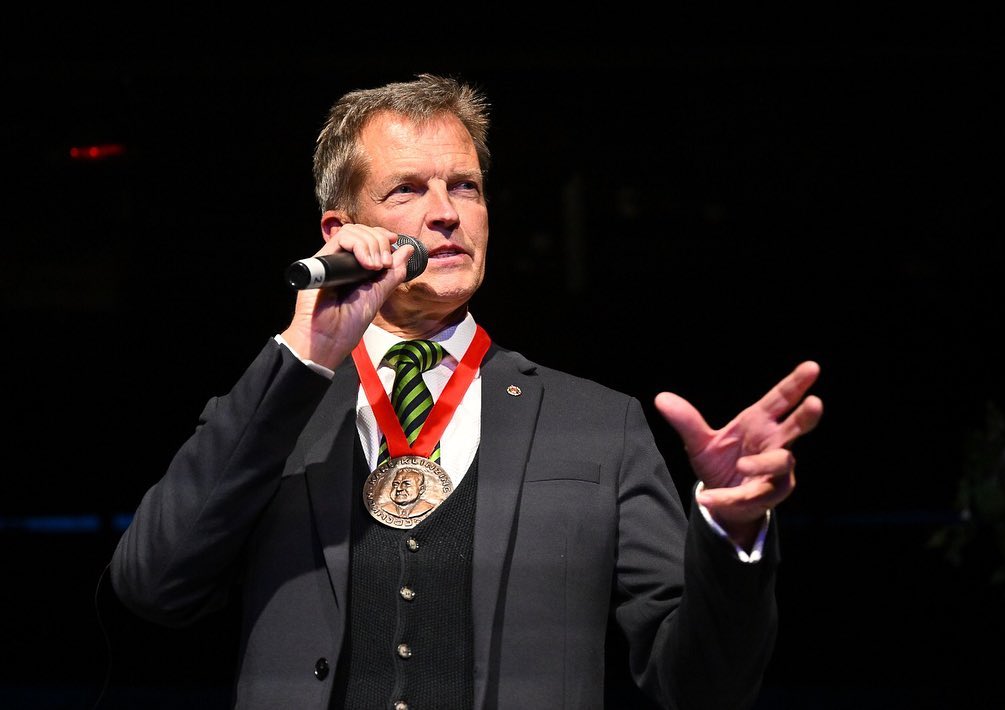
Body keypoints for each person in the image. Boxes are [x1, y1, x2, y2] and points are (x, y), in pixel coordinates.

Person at [109, 73, 824, 710]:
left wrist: (731, 536)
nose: (446, 213)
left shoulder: (598, 426)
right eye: (407, 190)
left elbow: (701, 687)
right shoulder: (277, 412)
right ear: (341, 230)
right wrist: (304, 353)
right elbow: (153, 587)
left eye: (465, 187)